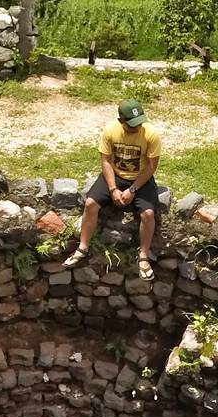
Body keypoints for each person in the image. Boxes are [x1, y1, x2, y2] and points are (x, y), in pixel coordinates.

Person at [63, 98, 162, 280]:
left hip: (140, 178)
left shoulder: (151, 134)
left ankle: (143, 256)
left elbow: (151, 166)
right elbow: (105, 161)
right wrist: (113, 188)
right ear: (121, 121)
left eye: (139, 123)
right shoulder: (110, 130)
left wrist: (133, 189)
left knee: (148, 214)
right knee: (91, 204)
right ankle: (82, 248)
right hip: (115, 175)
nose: (136, 128)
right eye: (131, 125)